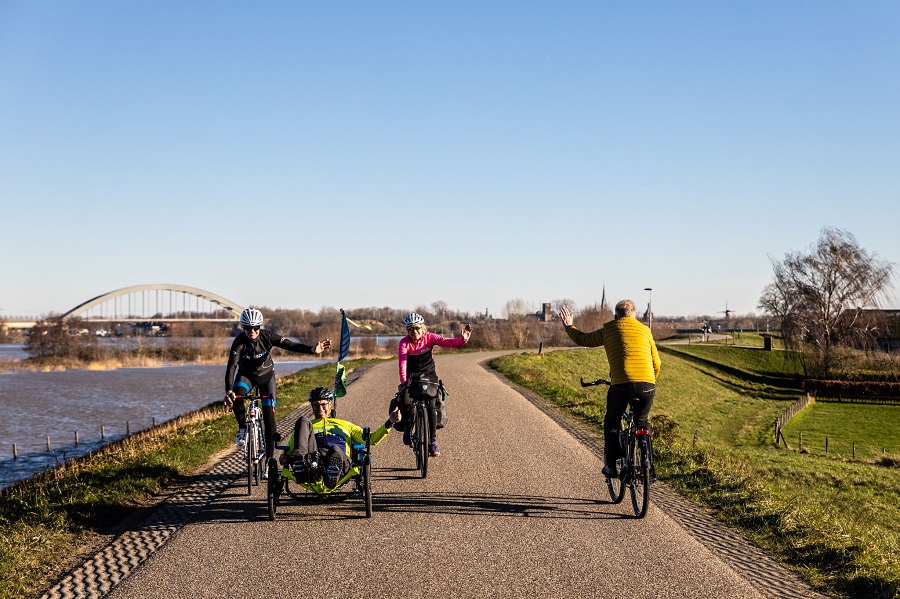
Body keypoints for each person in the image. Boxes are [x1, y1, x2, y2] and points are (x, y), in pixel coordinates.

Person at [559, 300, 660, 478]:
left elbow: (583, 339)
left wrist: (569, 326)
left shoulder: (609, 330)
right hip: (647, 384)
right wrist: (649, 381)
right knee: (642, 421)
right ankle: (648, 464)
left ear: (616, 316)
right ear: (635, 315)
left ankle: (612, 466)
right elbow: (657, 363)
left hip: (621, 385)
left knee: (612, 422)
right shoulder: (646, 330)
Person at [224, 308, 331, 475]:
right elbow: (231, 366)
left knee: (269, 416)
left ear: (260, 326)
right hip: (246, 377)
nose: (252, 331)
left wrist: (312, 349)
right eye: (247, 328)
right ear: (243, 327)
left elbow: (289, 345)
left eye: (255, 328)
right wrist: (228, 390)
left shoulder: (267, 337)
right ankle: (242, 428)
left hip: (266, 377)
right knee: (237, 395)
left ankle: (269, 462)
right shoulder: (238, 342)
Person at [280, 387, 400, 489]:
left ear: (330, 404)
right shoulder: (307, 426)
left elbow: (372, 439)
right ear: (311, 406)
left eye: (323, 404)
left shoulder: (345, 425)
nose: (320, 409)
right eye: (316, 405)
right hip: (313, 460)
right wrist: (285, 456)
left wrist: (390, 422)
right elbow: (292, 447)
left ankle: (333, 471)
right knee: (302, 420)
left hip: (340, 460)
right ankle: (302, 467)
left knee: (335, 450)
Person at [392, 312, 472, 457]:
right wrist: (403, 383)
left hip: (429, 376)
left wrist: (463, 340)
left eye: (416, 328)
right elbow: (402, 364)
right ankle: (408, 428)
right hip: (412, 377)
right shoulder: (404, 343)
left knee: (431, 405)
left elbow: (448, 342)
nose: (414, 332)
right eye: (410, 329)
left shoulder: (430, 338)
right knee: (406, 401)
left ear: (423, 327)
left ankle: (432, 442)